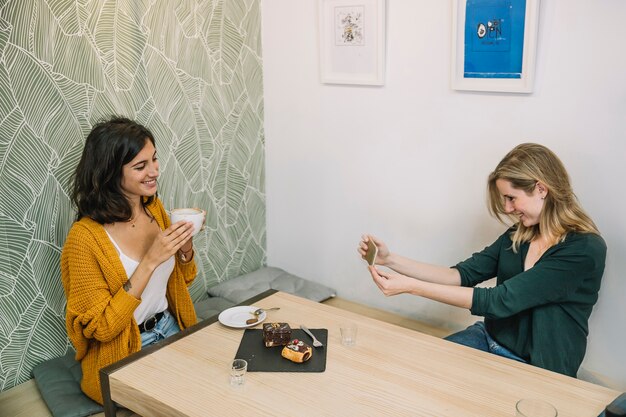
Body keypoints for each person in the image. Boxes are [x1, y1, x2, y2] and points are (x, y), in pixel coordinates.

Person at [359, 143, 606, 377]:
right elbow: (461, 275)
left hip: (538, 368)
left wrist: (411, 287)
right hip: (487, 338)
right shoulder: (518, 236)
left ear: (541, 189)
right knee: (413, 373)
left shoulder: (583, 249)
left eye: (512, 198)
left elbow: (501, 300)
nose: (508, 209)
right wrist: (390, 259)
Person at [60, 117, 201, 404]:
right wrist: (149, 262)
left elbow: (181, 280)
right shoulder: (84, 239)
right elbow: (100, 328)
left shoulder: (155, 209)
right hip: (124, 350)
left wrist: (185, 250)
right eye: (140, 166)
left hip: (170, 328)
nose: (154, 172)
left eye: (154, 159)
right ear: (111, 173)